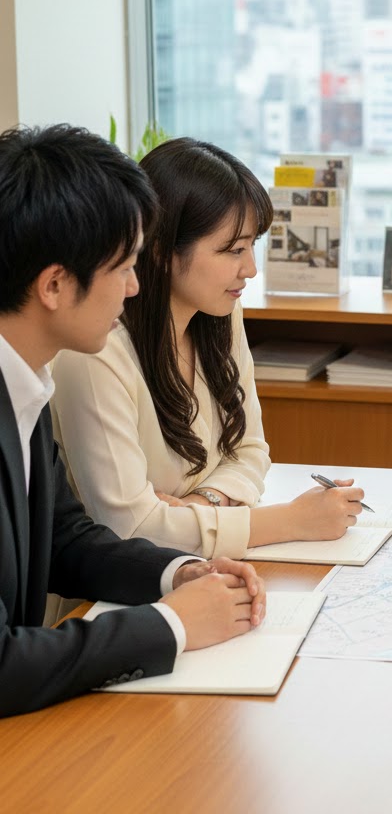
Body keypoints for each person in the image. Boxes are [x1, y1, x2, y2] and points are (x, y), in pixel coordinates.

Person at [0, 124, 266, 718]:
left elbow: (67, 539)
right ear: (53, 285)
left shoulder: (24, 382)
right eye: (122, 266)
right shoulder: (56, 371)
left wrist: (180, 571)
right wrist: (170, 626)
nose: (136, 285)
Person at [50, 138, 363, 559]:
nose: (250, 269)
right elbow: (129, 528)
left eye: (252, 246)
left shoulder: (218, 313)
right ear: (160, 251)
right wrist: (291, 520)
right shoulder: (95, 352)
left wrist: (204, 504)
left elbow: (251, 450)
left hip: (198, 564)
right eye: (233, 250)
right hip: (109, 594)